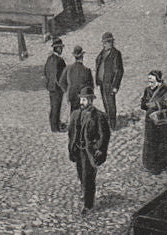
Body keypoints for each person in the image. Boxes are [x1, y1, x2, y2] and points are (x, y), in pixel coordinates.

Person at [67, 86, 111, 214]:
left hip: (89, 152)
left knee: (88, 177)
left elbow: (104, 135)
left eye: (85, 100)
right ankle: (84, 191)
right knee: (81, 174)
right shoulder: (75, 114)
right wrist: (71, 146)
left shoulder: (99, 116)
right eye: (81, 99)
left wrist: (98, 148)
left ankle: (88, 204)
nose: (81, 102)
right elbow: (71, 132)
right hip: (78, 150)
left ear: (91, 101)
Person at [140, 70, 167, 174]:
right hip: (150, 119)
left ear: (158, 81)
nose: (150, 83)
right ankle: (149, 163)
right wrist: (145, 104)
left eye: (152, 81)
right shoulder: (147, 90)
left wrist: (156, 104)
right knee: (150, 141)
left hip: (162, 120)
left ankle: (163, 162)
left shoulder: (166, 90)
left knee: (162, 141)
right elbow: (143, 104)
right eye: (149, 80)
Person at [94, 32, 124, 129]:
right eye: (106, 42)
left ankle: (112, 125)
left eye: (109, 42)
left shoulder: (116, 54)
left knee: (111, 104)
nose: (107, 44)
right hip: (102, 83)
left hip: (110, 84)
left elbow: (119, 71)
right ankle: (108, 122)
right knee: (105, 103)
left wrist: (115, 86)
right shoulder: (102, 53)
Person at [58, 45, 94, 112]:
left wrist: (67, 90)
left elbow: (61, 82)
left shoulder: (68, 68)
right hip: (83, 96)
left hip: (72, 95)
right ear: (82, 56)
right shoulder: (87, 70)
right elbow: (91, 86)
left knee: (73, 114)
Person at [43, 37, 67, 132]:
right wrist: (63, 86)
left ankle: (55, 124)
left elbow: (46, 71)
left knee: (53, 106)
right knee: (56, 107)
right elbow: (61, 75)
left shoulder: (49, 59)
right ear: (57, 48)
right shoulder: (60, 61)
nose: (61, 49)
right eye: (60, 48)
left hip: (50, 86)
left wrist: (49, 81)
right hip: (57, 87)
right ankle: (55, 128)